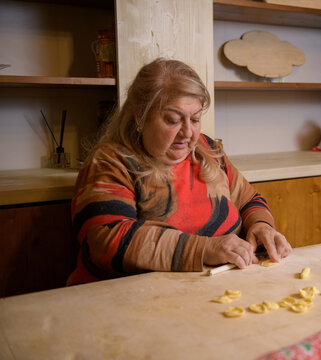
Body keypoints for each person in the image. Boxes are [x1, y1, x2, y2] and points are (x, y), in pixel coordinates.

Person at [68, 58, 292, 285]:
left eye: (195, 119)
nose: (187, 133)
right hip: (133, 298)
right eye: (173, 120)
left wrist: (261, 226)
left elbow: (248, 200)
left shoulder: (207, 148)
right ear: (140, 116)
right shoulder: (111, 161)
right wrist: (203, 249)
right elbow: (108, 239)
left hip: (214, 289)